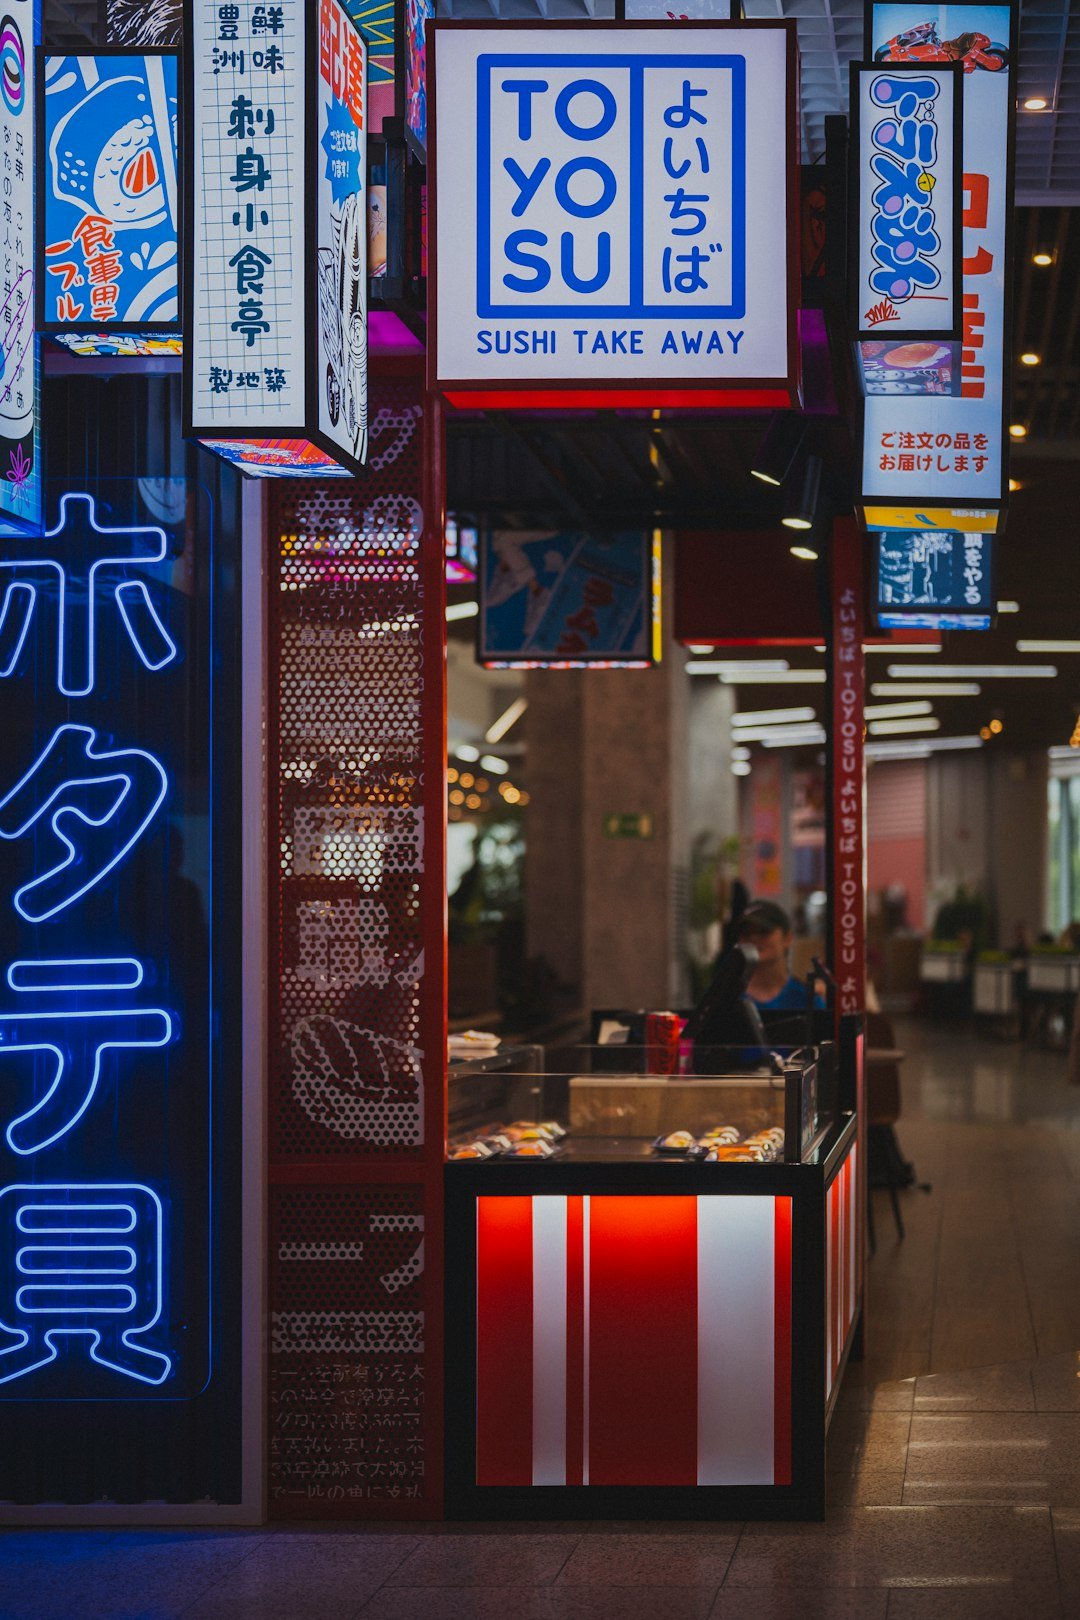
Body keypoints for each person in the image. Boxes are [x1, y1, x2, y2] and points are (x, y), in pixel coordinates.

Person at [737, 899, 823, 1011]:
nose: (754, 938)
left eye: (763, 931)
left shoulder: (807, 999)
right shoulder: (727, 1001)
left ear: (787, 938)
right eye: (746, 933)